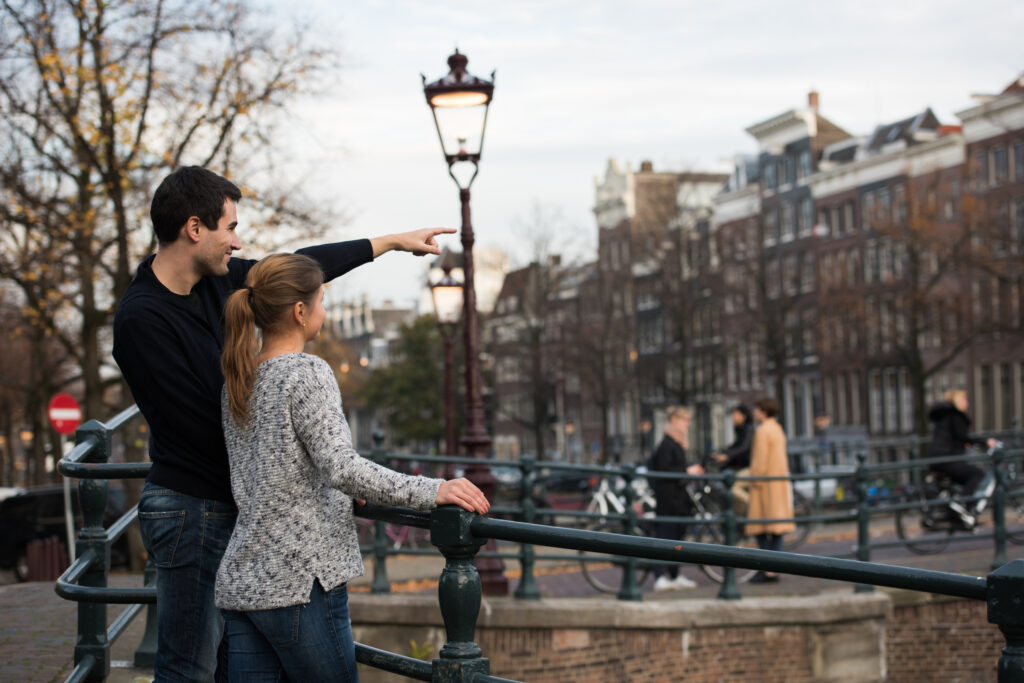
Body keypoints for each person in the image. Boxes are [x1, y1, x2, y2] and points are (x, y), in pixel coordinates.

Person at [112, 166, 456, 682]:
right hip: (192, 510)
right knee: (188, 667)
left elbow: (296, 272)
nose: (237, 240)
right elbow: (213, 430)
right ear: (194, 228)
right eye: (229, 227)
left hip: (236, 516)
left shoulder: (218, 281)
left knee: (226, 669)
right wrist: (334, 476)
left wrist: (387, 243)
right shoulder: (142, 320)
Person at [216, 253, 488, 681]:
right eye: (321, 300)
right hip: (300, 582)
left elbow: (278, 468)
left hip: (245, 580)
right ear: (300, 311)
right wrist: (432, 490)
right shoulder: (305, 372)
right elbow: (341, 467)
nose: (323, 310)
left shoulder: (241, 380)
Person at [646, 405, 702, 591]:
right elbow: (665, 471)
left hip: (677, 498)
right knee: (665, 536)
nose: (687, 424)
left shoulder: (675, 442)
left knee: (677, 536)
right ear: (675, 421)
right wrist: (688, 471)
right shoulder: (667, 444)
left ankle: (674, 574)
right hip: (669, 498)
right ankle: (660, 576)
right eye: (685, 420)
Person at [927, 389, 996, 524]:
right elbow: (963, 436)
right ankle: (960, 502)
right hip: (947, 458)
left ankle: (959, 512)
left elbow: (952, 436)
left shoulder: (945, 416)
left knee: (965, 479)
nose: (967, 403)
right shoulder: (955, 416)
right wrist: (985, 442)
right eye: (964, 400)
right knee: (977, 474)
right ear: (958, 401)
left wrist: (962, 443)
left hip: (938, 458)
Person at [745, 397, 795, 583]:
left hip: (765, 486)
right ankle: (774, 568)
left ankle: (767, 569)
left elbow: (759, 462)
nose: (754, 413)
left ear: (763, 411)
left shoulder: (762, 431)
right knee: (776, 530)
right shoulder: (778, 428)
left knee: (761, 529)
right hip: (778, 484)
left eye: (756, 409)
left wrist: (754, 482)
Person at [711, 404, 755, 510]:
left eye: (735, 414)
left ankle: (755, 505)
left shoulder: (748, 429)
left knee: (732, 485)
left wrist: (726, 456)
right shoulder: (740, 429)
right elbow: (735, 446)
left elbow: (744, 447)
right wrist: (722, 453)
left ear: (743, 416)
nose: (733, 417)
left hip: (749, 467)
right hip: (742, 466)